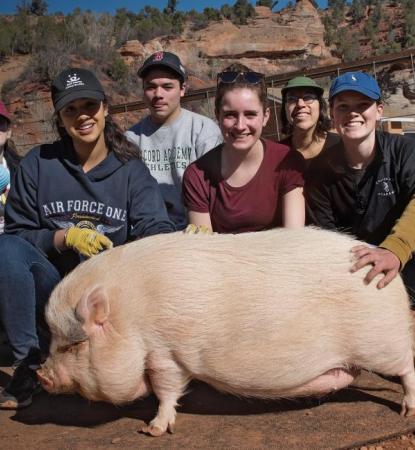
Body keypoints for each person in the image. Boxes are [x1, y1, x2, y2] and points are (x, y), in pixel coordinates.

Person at [0, 67, 175, 409]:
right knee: (5, 248)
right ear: (60, 119)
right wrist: (64, 237)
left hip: (107, 304)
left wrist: (183, 241)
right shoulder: (39, 164)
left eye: (89, 106)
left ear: (105, 108)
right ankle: (28, 362)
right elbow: (18, 236)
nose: (82, 116)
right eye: (70, 109)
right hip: (52, 295)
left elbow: (156, 230)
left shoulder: (130, 170)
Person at [306, 71, 415, 300]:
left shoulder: (404, 151)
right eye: (343, 106)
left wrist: (394, 249)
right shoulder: (318, 172)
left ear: (379, 110)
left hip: (409, 270)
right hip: (358, 280)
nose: (353, 113)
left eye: (363, 104)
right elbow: (327, 238)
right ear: (332, 113)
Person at [182, 64, 305, 233]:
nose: (240, 126)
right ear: (217, 115)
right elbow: (204, 248)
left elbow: (294, 237)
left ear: (265, 116)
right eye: (230, 115)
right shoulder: (197, 175)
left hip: (279, 257)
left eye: (250, 114)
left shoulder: (288, 161)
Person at [125, 51, 223, 230]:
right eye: (151, 87)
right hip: (147, 230)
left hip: (196, 228)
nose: (158, 94)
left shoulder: (203, 130)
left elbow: (216, 192)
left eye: (167, 87)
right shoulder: (131, 139)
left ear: (183, 89)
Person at [279, 76, 340, 179]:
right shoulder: (277, 155)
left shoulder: (340, 147)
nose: (300, 104)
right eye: (291, 99)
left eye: (308, 97)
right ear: (285, 109)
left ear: (320, 106)